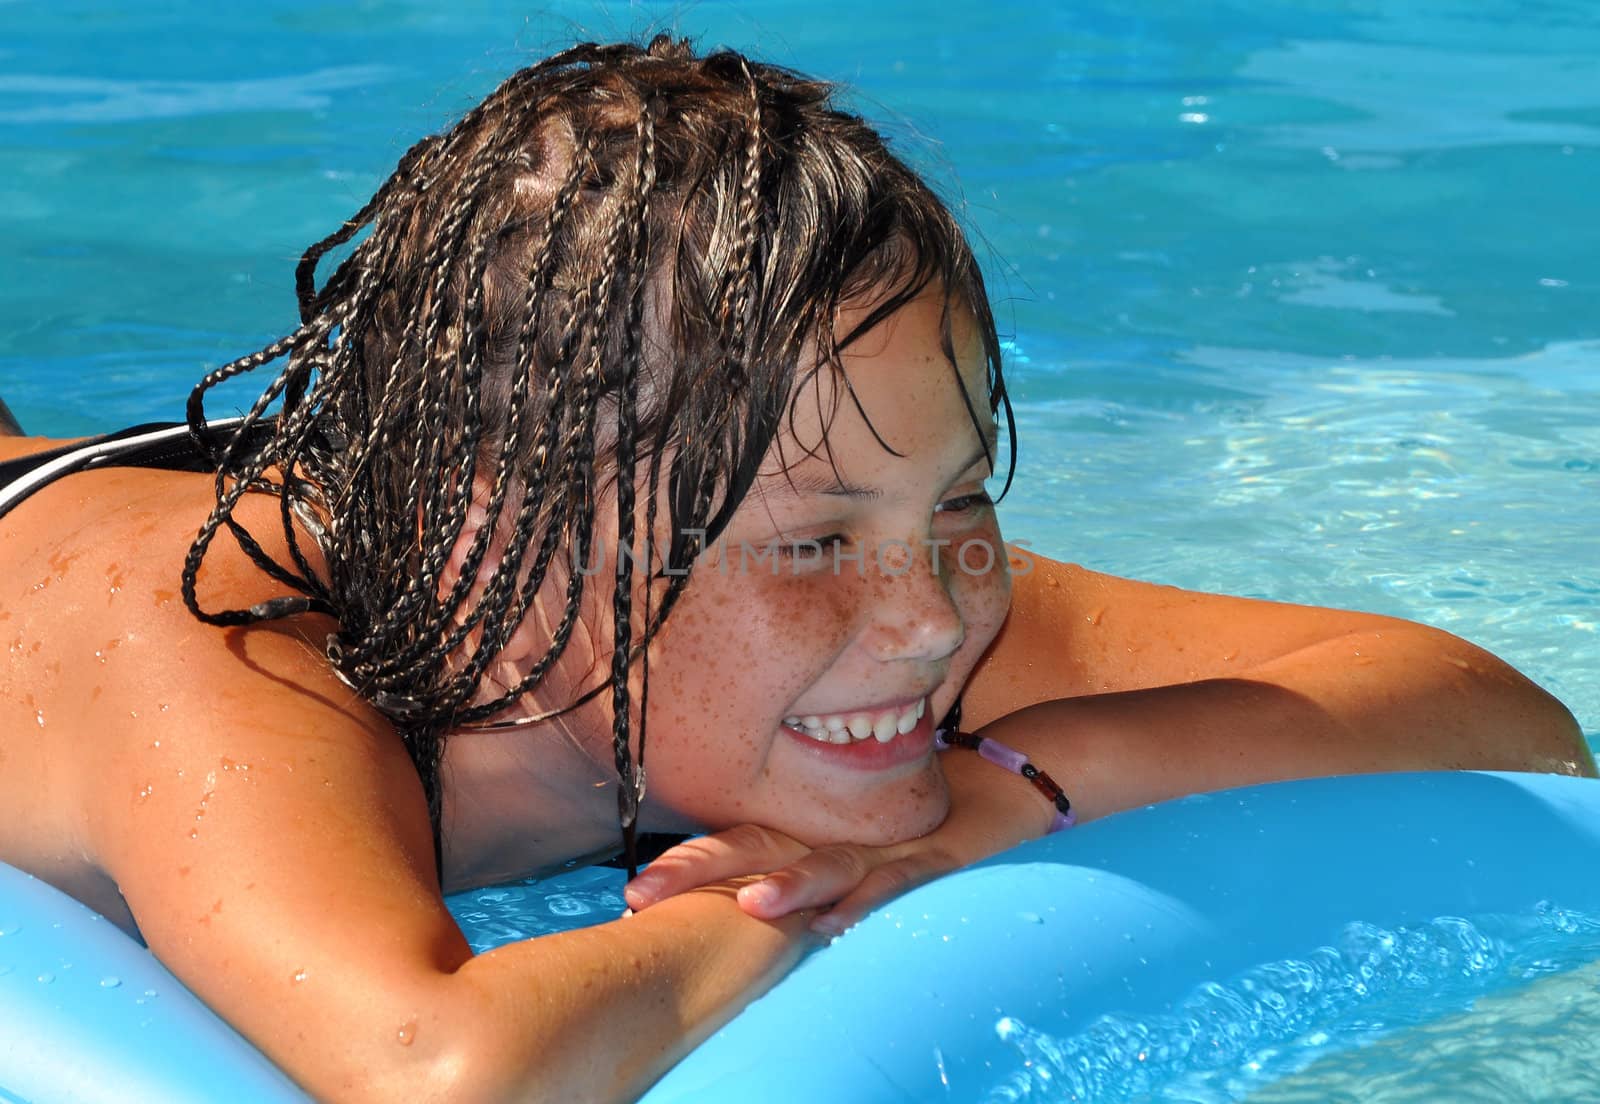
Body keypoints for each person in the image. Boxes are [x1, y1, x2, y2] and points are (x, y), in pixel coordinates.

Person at [0, 36, 1589, 1104]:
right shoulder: (232, 664)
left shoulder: (839, 586)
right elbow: (441, 1072)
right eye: (824, 541)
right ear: (516, 542)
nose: (927, 615)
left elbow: (1489, 710)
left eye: (957, 499)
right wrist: (794, 905)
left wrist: (1004, 795)